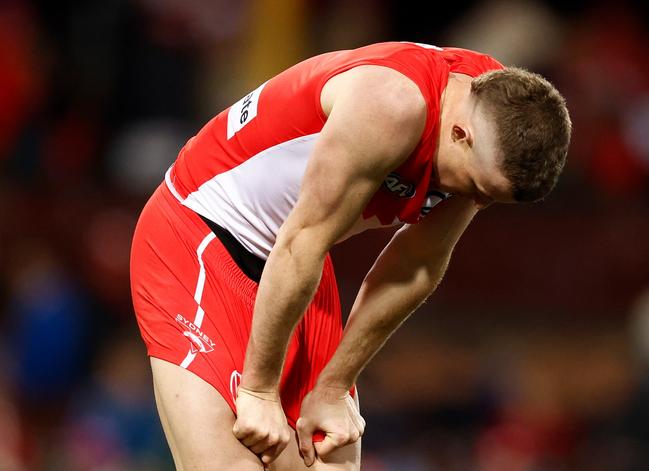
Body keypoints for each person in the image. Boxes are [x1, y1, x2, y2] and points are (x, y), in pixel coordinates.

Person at [130, 41, 571, 470]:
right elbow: (301, 238)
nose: (473, 201)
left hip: (296, 263)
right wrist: (260, 391)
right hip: (198, 236)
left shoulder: (494, 110)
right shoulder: (390, 104)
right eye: (476, 189)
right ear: (460, 134)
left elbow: (416, 264)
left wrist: (334, 387)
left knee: (328, 462)